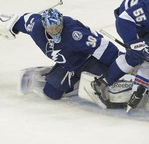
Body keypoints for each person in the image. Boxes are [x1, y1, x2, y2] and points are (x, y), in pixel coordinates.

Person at [0, 8, 129, 108]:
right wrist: (9, 25)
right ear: (44, 26)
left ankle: (87, 77)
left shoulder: (74, 34)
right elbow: (20, 20)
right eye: (51, 28)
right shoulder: (36, 27)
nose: (55, 30)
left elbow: (101, 46)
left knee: (110, 86)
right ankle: (74, 81)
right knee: (51, 93)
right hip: (68, 65)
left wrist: (120, 63)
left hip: (88, 60)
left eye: (58, 26)